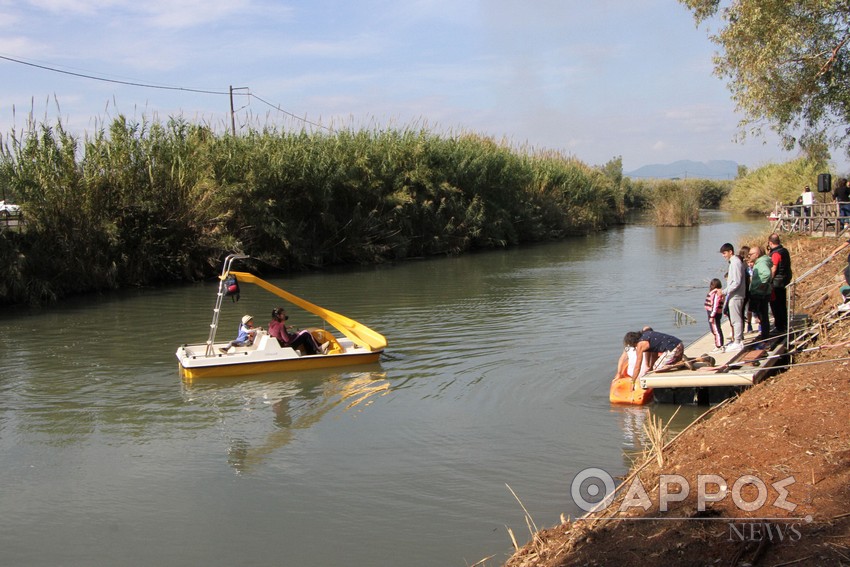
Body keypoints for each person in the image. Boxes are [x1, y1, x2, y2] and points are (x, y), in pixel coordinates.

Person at [719, 242, 746, 351]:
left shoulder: (735, 263)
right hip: (735, 295)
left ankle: (738, 341)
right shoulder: (734, 262)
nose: (723, 255)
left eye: (724, 253)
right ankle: (737, 340)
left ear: (731, 252)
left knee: (736, 319)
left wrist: (724, 292)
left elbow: (736, 282)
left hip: (736, 295)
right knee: (735, 319)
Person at [767, 233, 792, 334]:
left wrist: (768, 280)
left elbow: (773, 269)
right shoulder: (784, 251)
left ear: (770, 243)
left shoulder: (776, 253)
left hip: (776, 283)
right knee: (782, 304)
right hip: (784, 280)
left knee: (776, 305)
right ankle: (784, 324)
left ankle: (779, 326)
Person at [748, 246, 773, 342]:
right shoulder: (761, 262)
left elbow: (766, 274)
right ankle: (764, 334)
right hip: (761, 293)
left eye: (751, 254)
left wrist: (762, 285)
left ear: (757, 254)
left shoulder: (761, 263)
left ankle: (765, 337)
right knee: (762, 315)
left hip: (760, 294)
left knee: (762, 315)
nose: (749, 256)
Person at [705, 278, 725, 352]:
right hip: (714, 313)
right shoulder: (716, 292)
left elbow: (715, 305)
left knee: (716, 329)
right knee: (715, 329)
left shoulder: (716, 293)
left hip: (714, 313)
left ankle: (719, 346)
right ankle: (718, 343)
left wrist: (712, 316)